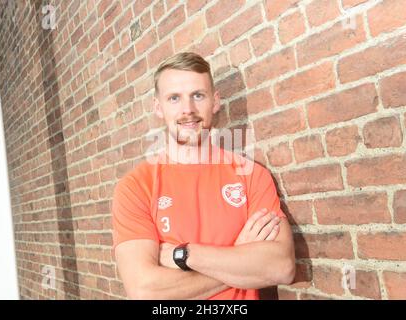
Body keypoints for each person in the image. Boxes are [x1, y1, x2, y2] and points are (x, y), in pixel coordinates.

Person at [112, 52, 295, 300]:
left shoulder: (251, 176)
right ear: (159, 107)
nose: (188, 110)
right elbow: (145, 291)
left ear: (215, 101)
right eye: (174, 98)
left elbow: (281, 267)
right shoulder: (136, 187)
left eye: (198, 96)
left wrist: (185, 256)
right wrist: (239, 255)